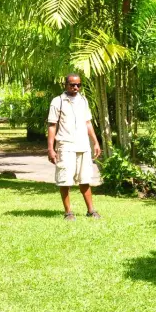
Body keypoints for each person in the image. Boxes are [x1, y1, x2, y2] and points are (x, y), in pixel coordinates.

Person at [46, 74, 102, 220]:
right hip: (65, 145)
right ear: (65, 85)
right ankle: (68, 212)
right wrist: (51, 149)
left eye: (78, 85)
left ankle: (91, 210)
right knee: (65, 180)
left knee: (85, 179)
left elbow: (88, 123)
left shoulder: (83, 100)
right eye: (72, 85)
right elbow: (52, 126)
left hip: (83, 145)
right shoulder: (57, 102)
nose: (75, 87)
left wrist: (95, 142)